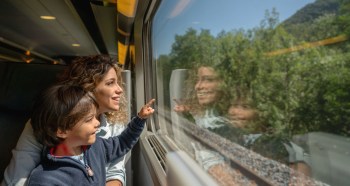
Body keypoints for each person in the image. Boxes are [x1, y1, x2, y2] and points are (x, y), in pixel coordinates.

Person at [3, 55, 131, 186]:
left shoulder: (116, 126)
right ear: (89, 88)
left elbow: (115, 172)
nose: (120, 89)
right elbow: (18, 177)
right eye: (110, 83)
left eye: (118, 82)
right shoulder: (48, 122)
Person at [27, 84, 155, 185]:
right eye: (89, 119)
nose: (97, 123)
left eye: (95, 116)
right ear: (61, 131)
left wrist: (139, 119)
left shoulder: (96, 146)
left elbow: (122, 143)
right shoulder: (45, 179)